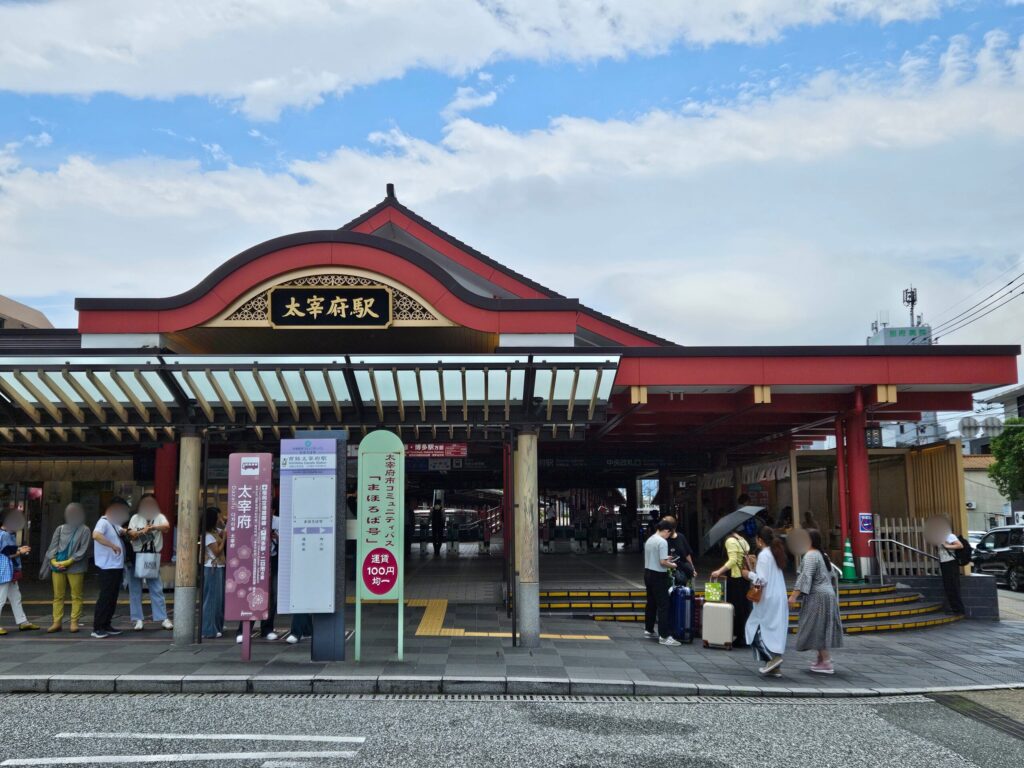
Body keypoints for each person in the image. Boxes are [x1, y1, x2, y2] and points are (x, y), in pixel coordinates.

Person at [788, 528, 843, 674]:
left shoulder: (811, 555)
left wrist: (794, 595)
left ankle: (826, 661)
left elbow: (806, 577)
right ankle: (820, 659)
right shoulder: (821, 554)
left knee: (817, 627)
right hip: (827, 593)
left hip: (818, 596)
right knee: (821, 626)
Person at [742, 526, 789, 677]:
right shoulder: (775, 553)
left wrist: (748, 573)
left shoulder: (764, 555)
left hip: (767, 597)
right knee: (774, 629)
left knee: (755, 628)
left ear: (760, 540)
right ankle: (774, 665)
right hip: (778, 595)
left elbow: (761, 580)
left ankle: (772, 659)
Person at [40, 502, 91, 633]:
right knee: (58, 596)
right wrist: (54, 561)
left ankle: (74, 622)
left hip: (76, 566)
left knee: (76, 595)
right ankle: (56, 622)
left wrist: (68, 562)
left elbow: (83, 550)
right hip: (57, 566)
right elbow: (52, 547)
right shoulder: (60, 528)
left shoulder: (85, 530)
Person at [125, 493, 173, 631]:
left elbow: (166, 526)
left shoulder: (159, 517)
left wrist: (153, 528)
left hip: (151, 556)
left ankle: (163, 618)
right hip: (136, 556)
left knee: (156, 588)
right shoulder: (135, 518)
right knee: (135, 589)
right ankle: (138, 619)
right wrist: (142, 532)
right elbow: (131, 534)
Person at [91, 497, 130, 639]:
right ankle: (97, 627)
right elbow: (96, 535)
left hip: (116, 566)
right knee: (105, 597)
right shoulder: (103, 522)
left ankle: (106, 624)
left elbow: (123, 531)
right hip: (107, 566)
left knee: (112, 597)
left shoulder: (113, 524)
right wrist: (112, 545)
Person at [0, 508, 40, 634]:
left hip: (8, 571)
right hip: (4, 571)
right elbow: (6, 554)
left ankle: (23, 621)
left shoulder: (6, 533)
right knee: (1, 598)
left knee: (15, 596)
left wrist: (18, 549)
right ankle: (23, 622)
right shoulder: (5, 535)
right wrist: (20, 552)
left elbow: (8, 551)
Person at [710, 529, 752, 648]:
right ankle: (743, 635)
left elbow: (732, 560)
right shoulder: (742, 540)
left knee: (736, 608)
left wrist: (719, 571)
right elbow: (747, 551)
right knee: (744, 608)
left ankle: (739, 637)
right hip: (744, 578)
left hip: (736, 578)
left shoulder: (730, 541)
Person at [642, 519, 680, 647]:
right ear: (666, 531)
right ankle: (664, 636)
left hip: (647, 573)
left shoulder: (650, 539)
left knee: (651, 602)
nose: (668, 536)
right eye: (669, 534)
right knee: (664, 605)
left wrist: (666, 559)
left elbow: (656, 556)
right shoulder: (662, 542)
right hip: (658, 575)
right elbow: (662, 562)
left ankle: (649, 629)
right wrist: (673, 565)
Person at [201, 507, 225, 639]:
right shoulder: (208, 535)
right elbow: (217, 551)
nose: (220, 519)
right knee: (211, 599)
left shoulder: (215, 531)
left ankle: (215, 627)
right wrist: (225, 538)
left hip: (218, 567)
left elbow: (226, 530)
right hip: (212, 568)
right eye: (218, 517)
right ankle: (208, 629)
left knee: (218, 599)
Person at [661, 513, 697, 584]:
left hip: (682, 571)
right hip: (667, 571)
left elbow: (687, 554)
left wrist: (692, 568)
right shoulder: (662, 539)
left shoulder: (681, 537)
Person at [937, 527, 965, 615]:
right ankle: (954, 608)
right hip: (944, 563)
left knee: (953, 586)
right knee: (948, 586)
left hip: (951, 563)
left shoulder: (949, 535)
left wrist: (946, 545)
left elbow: (960, 545)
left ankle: (959, 609)